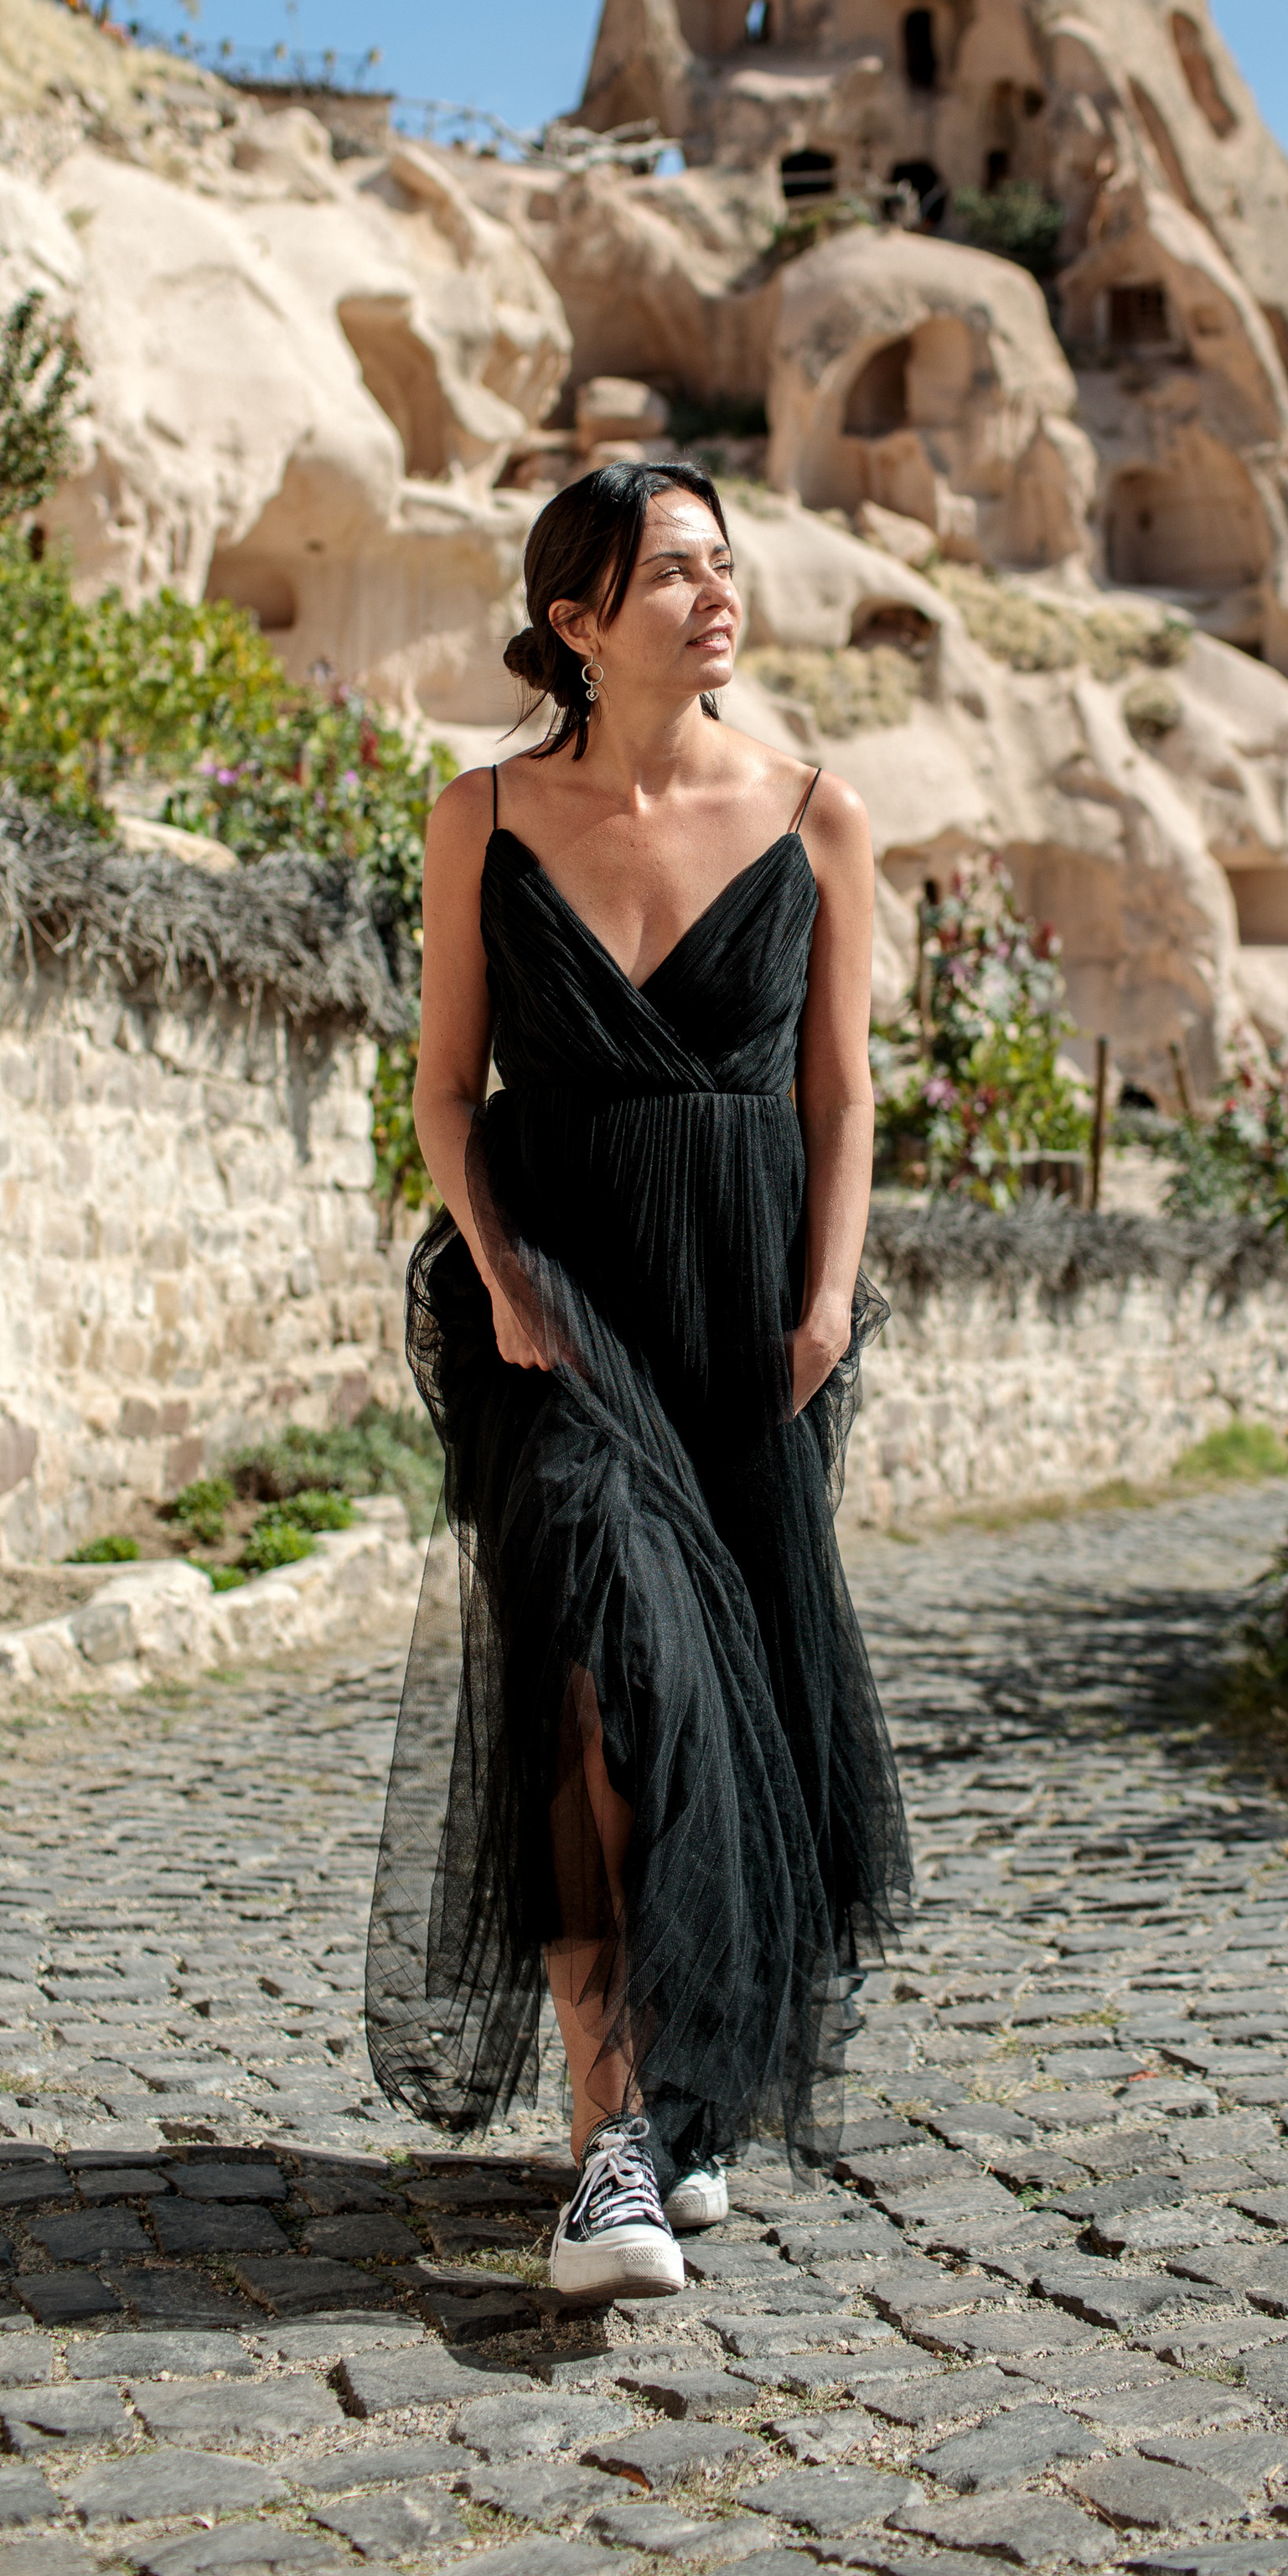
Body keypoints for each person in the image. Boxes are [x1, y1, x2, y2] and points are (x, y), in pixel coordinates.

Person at [365, 457, 912, 2303]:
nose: (714, 595)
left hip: (748, 1312)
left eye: (720, 564)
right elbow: (447, 1096)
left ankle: (681, 2101)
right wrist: (504, 1272)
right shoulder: (483, 819)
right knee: (593, 1670)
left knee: (722, 1695)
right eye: (669, 573)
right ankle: (601, 2148)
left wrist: (827, 1296)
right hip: (554, 1306)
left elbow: (837, 1096)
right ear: (577, 620)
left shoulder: (817, 813)